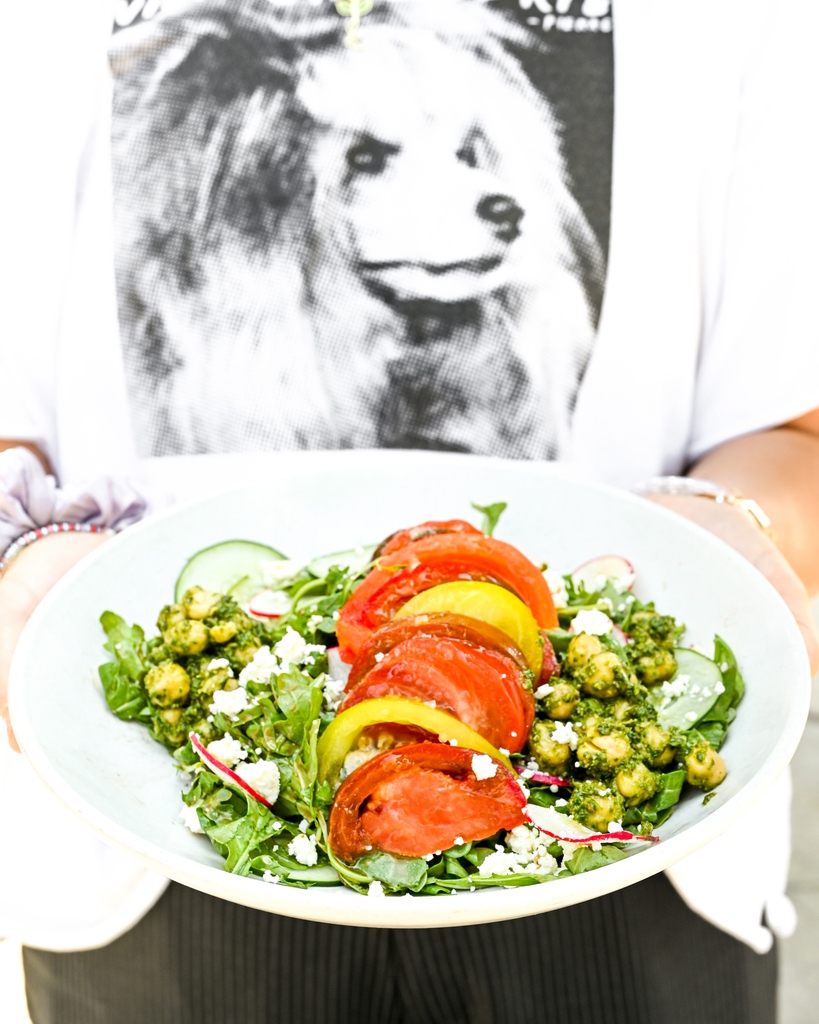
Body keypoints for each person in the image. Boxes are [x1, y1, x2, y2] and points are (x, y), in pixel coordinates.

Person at [2, 1, 818, 1022]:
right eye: (374, 160)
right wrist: (19, 558)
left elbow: (791, 428)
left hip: (636, 857)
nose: (491, 200)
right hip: (143, 833)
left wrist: (733, 531)